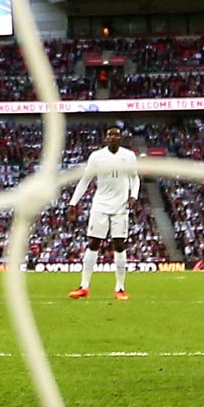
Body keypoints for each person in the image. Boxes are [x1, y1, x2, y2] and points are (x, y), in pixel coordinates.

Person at [68, 126, 141, 300]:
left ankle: (120, 288)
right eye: (110, 135)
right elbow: (86, 180)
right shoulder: (97, 157)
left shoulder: (128, 156)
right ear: (106, 138)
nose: (113, 137)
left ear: (121, 138)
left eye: (116, 135)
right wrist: (73, 203)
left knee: (119, 244)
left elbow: (134, 178)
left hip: (121, 206)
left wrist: (133, 196)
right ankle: (84, 286)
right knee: (93, 242)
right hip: (100, 204)